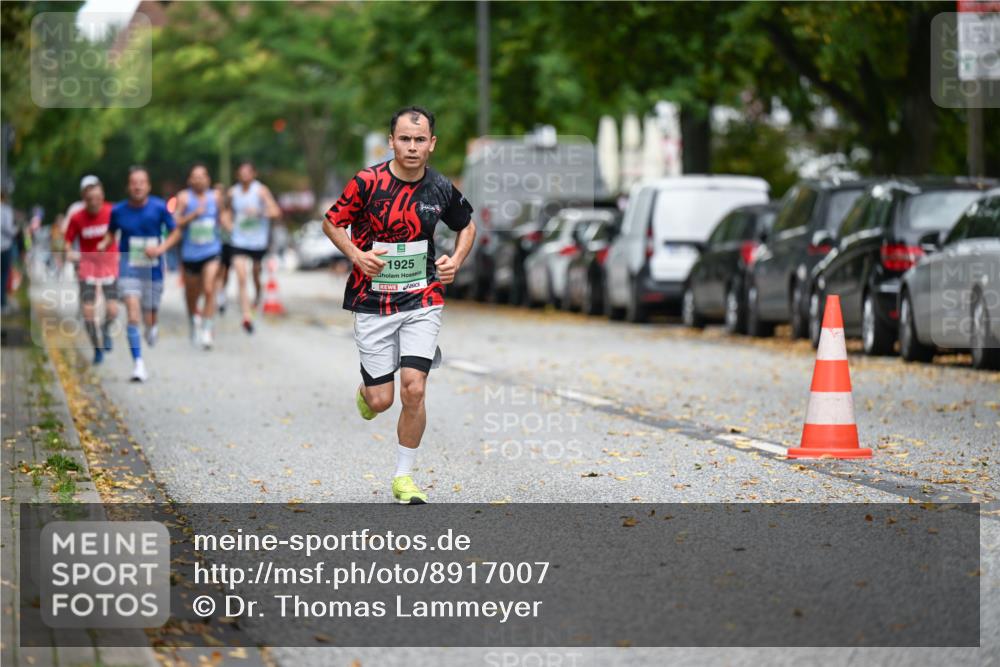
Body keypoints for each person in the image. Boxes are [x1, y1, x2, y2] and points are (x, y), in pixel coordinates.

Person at [323, 106, 476, 505]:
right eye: (404, 139)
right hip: (372, 300)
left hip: (422, 296)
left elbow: (467, 225)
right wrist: (357, 255)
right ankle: (367, 393)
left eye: (419, 139)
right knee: (382, 400)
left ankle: (404, 477)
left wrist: (455, 261)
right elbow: (332, 222)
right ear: (391, 141)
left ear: (432, 144)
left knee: (414, 389)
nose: (412, 147)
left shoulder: (440, 188)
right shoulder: (367, 182)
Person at [100, 166, 181, 382]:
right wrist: (104, 243)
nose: (137, 186)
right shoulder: (118, 211)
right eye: (134, 182)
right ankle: (138, 363)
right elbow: (111, 233)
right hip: (129, 268)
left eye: (141, 182)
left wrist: (161, 249)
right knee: (133, 313)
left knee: (149, 316)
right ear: (128, 186)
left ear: (148, 185)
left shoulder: (159, 207)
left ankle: (152, 326)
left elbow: (176, 233)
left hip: (153, 269)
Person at [64, 180, 119, 364]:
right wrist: (71, 254)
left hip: (108, 266)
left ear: (103, 197)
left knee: (112, 309)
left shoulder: (112, 211)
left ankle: (105, 329)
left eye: (97, 198)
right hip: (87, 267)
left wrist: (108, 244)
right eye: (90, 199)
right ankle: (97, 348)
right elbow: (67, 243)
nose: (94, 202)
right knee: (88, 312)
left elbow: (120, 231)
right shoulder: (77, 218)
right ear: (84, 199)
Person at [224, 161, 281, 334]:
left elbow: (276, 211)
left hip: (257, 242)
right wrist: (228, 225)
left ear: (254, 174)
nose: (244, 175)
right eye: (241, 172)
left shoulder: (261, 191)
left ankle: (257, 296)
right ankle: (247, 315)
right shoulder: (232, 192)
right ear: (237, 175)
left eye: (247, 172)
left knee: (255, 274)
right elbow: (226, 212)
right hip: (239, 241)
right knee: (241, 276)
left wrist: (259, 212)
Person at [174, 164, 224, 348]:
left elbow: (221, 218)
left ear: (208, 179)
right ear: (190, 180)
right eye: (195, 176)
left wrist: (227, 225)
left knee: (210, 288)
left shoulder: (215, 197)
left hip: (211, 250)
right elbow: (176, 222)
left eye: (202, 176)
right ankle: (192, 318)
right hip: (190, 254)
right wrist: (193, 215)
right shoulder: (184, 197)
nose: (199, 179)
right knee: (191, 294)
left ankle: (207, 329)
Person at [1, 190, 16, 313]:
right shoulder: (5, 210)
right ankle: (2, 303)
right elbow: (8, 229)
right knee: (4, 275)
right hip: (4, 246)